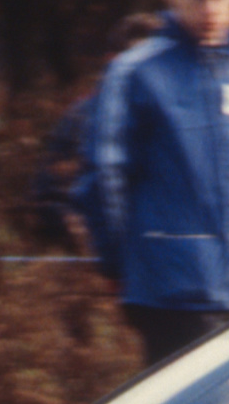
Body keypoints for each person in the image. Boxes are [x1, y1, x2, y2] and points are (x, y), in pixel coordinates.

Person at [78, 0, 229, 367]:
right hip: (168, 282)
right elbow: (105, 176)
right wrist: (118, 263)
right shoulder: (136, 70)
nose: (211, 10)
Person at [26, 13, 163, 253]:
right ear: (113, 61)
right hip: (98, 263)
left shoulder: (186, 120)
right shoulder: (82, 117)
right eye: (136, 61)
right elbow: (48, 196)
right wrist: (84, 236)